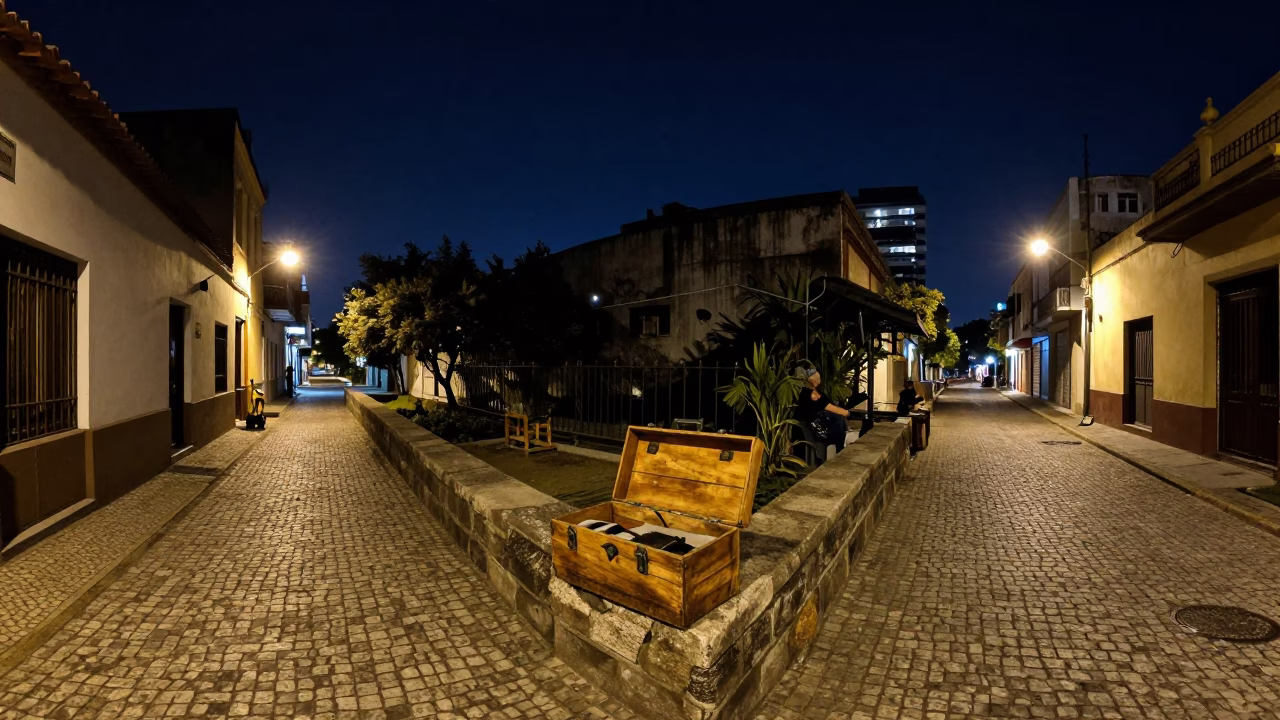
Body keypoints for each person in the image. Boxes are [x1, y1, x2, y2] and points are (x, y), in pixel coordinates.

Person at [796, 368, 852, 452]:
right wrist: (848, 413)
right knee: (838, 420)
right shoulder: (812, 395)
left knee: (838, 420)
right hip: (815, 428)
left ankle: (840, 447)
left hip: (817, 424)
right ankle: (840, 449)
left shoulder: (812, 392)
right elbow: (834, 409)